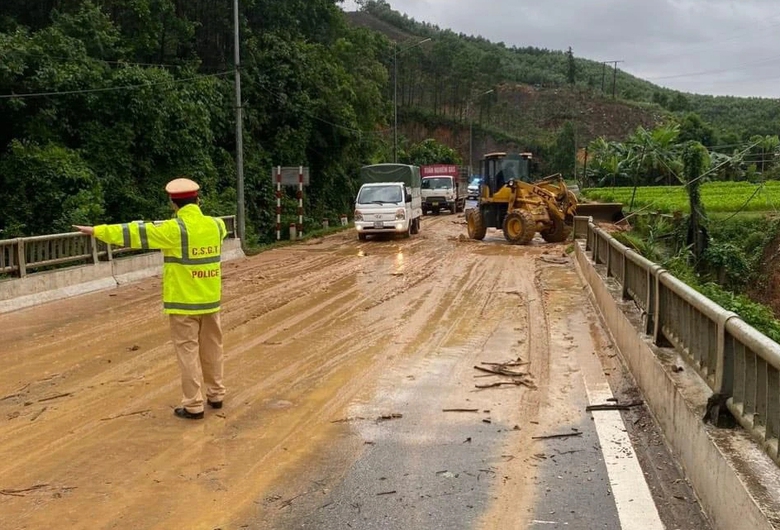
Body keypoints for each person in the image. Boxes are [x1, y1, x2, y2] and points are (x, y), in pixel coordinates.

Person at [74, 178, 228, 420]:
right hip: (210, 301)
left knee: (188, 352)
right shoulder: (217, 225)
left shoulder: (173, 229)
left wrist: (97, 230)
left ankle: (194, 405)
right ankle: (216, 394)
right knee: (212, 348)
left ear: (173, 204)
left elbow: (135, 233)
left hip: (183, 304)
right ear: (198, 200)